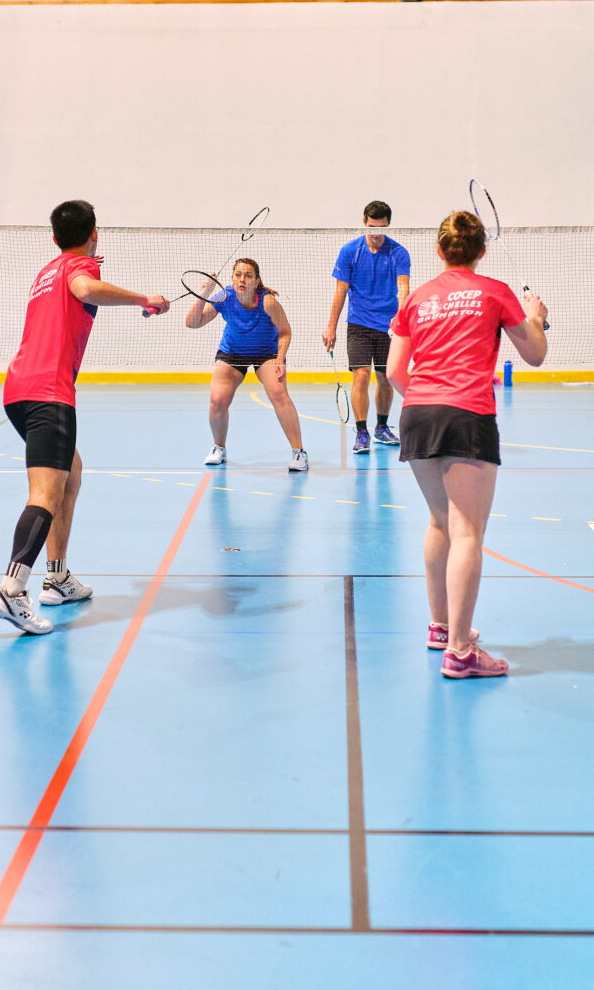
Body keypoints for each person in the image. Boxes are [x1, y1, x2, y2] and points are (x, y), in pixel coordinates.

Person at [0, 200, 171, 635]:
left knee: (72, 473)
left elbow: (77, 286)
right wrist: (145, 298)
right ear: (94, 233)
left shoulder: (49, 271)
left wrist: (84, 264)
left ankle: (57, 577)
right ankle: (11, 590)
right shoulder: (79, 269)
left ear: (54, 238)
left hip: (18, 391)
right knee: (45, 495)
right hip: (49, 394)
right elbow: (86, 290)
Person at [387, 210, 548, 679]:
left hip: (417, 414)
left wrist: (429, 399)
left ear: (439, 251)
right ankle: (460, 651)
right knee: (467, 533)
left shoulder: (417, 298)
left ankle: (441, 628)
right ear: (482, 250)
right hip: (467, 415)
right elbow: (535, 355)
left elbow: (395, 371)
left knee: (440, 522)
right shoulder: (495, 292)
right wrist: (536, 319)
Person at [184, 257, 308, 473]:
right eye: (238, 275)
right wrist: (204, 293)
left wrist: (280, 360)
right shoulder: (223, 297)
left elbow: (285, 331)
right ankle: (218, 447)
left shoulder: (267, 302)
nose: (242, 279)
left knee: (279, 394)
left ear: (256, 281)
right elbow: (192, 323)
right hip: (233, 352)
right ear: (232, 279)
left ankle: (299, 452)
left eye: (248, 276)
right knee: (218, 399)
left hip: (266, 352)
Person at [322, 201, 410, 456]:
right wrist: (331, 327)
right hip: (359, 323)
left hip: (389, 326)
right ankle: (362, 432)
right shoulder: (350, 251)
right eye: (372, 227)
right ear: (364, 222)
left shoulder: (399, 253)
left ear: (388, 226)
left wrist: (401, 321)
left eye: (381, 228)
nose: (376, 233)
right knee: (361, 375)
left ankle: (381, 427)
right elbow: (340, 292)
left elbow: (403, 289)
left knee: (386, 377)